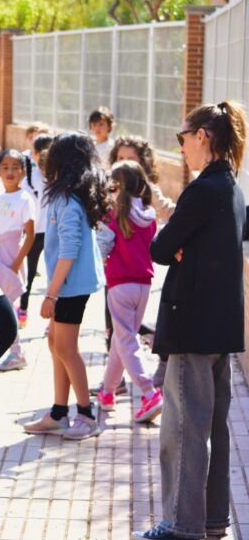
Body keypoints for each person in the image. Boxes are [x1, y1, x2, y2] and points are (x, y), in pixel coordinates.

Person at [131, 101, 246, 540]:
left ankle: (182, 525)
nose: (180, 147)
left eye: (183, 137)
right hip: (220, 327)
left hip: (193, 325)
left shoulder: (202, 191)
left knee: (183, 431)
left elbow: (161, 247)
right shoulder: (230, 187)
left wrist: (178, 246)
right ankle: (212, 520)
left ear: (203, 136)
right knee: (212, 426)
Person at [23, 132, 110, 440]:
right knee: (54, 344)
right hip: (68, 284)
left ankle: (86, 415)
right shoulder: (70, 196)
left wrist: (51, 293)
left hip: (71, 286)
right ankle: (59, 413)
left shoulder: (68, 200)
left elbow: (69, 250)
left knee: (65, 348)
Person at [95, 161, 162, 423]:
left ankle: (148, 392)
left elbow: (102, 247)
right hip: (143, 284)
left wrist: (100, 265)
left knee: (125, 340)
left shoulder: (112, 214)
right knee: (122, 339)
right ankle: (108, 392)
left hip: (119, 284)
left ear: (118, 186)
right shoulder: (149, 213)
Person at [0, 149, 35, 371]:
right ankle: (5, 350)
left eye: (15, 167)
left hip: (11, 255)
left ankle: (16, 353)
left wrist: (16, 263)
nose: (10, 172)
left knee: (8, 305)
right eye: (5, 167)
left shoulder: (25, 198)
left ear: (23, 171)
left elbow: (30, 235)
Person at [16, 133, 52, 327]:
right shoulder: (33, 177)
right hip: (39, 232)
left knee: (45, 274)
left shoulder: (54, 177)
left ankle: (28, 312)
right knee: (31, 274)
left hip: (44, 232)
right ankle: (24, 309)